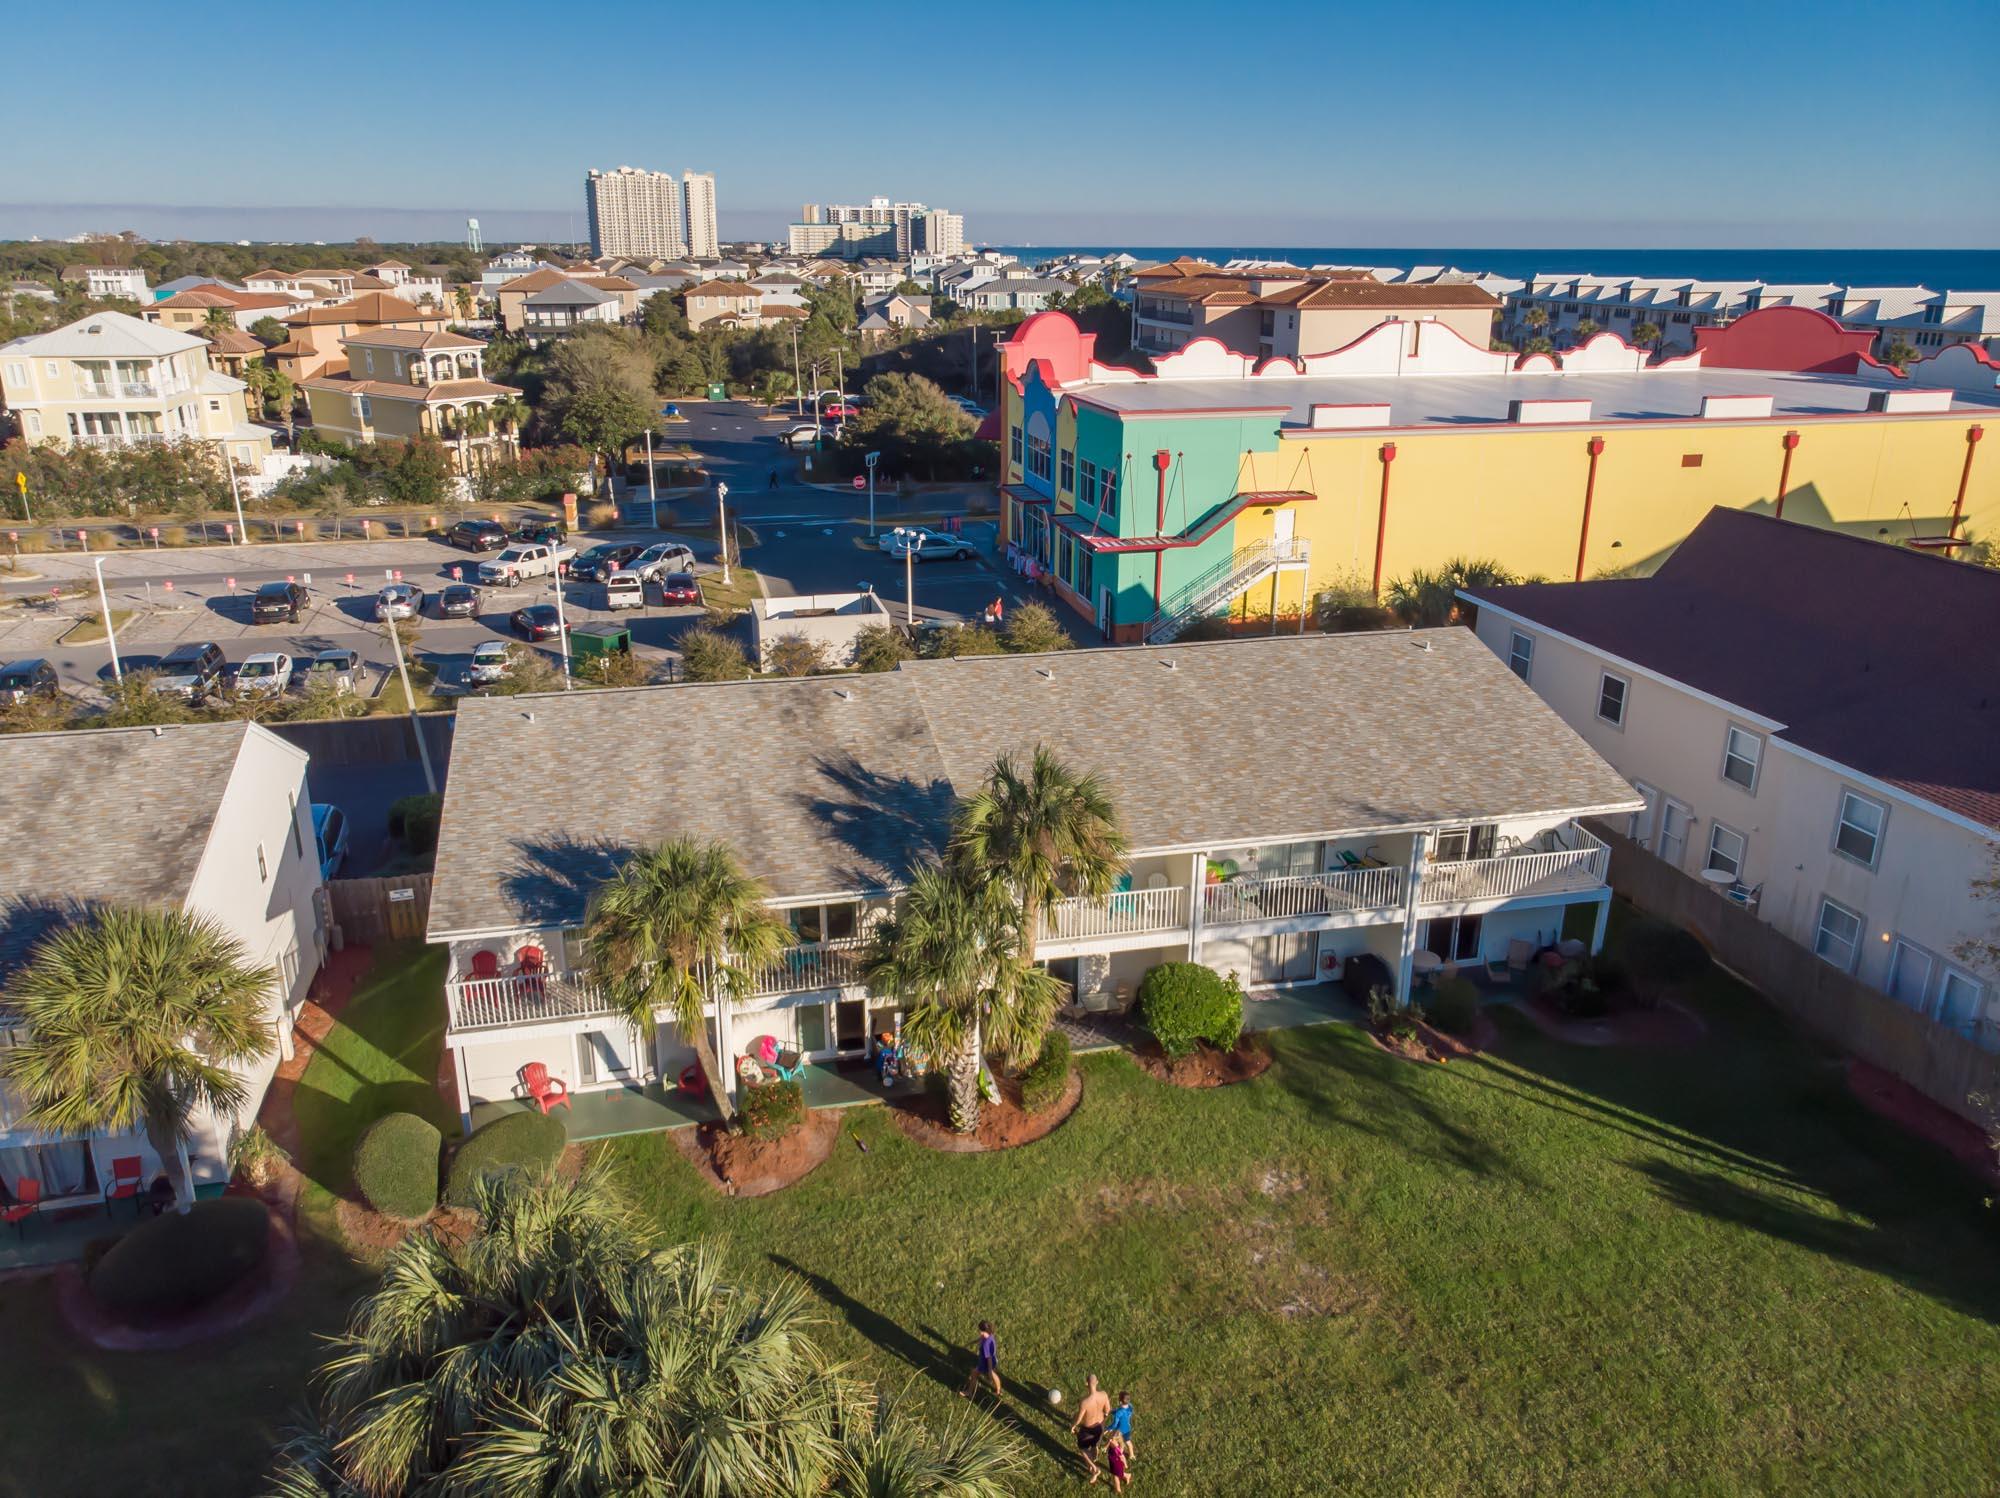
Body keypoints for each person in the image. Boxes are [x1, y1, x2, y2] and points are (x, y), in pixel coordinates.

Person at [1071, 1374, 1111, 1482]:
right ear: (1097, 1382)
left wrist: (1073, 1426)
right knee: (1094, 1443)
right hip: (1100, 1425)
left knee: (1082, 1449)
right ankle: (1094, 1457)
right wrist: (1103, 1417)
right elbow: (1107, 1410)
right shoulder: (1104, 1395)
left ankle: (1095, 1468)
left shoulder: (1084, 1402)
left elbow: (1079, 1419)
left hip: (1088, 1429)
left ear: (1086, 1384)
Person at [961, 1320, 1000, 1399]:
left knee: (974, 1374)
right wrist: (970, 1343)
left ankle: (969, 1392)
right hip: (993, 1360)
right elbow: (980, 1339)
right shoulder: (989, 1335)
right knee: (993, 1375)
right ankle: (998, 1389)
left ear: (982, 1331)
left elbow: (988, 1358)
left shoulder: (986, 1345)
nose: (978, 1331)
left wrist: (988, 1370)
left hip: (985, 1363)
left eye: (979, 1330)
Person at [1109, 1390, 1135, 1466]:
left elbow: (1115, 1423)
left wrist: (1108, 1428)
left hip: (1120, 1430)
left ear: (1120, 1402)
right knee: (1128, 1442)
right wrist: (1113, 1411)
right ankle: (1131, 1455)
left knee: (1117, 1442)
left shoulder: (1119, 1412)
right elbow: (1122, 1412)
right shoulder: (1130, 1407)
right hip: (1127, 1428)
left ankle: (1118, 1456)